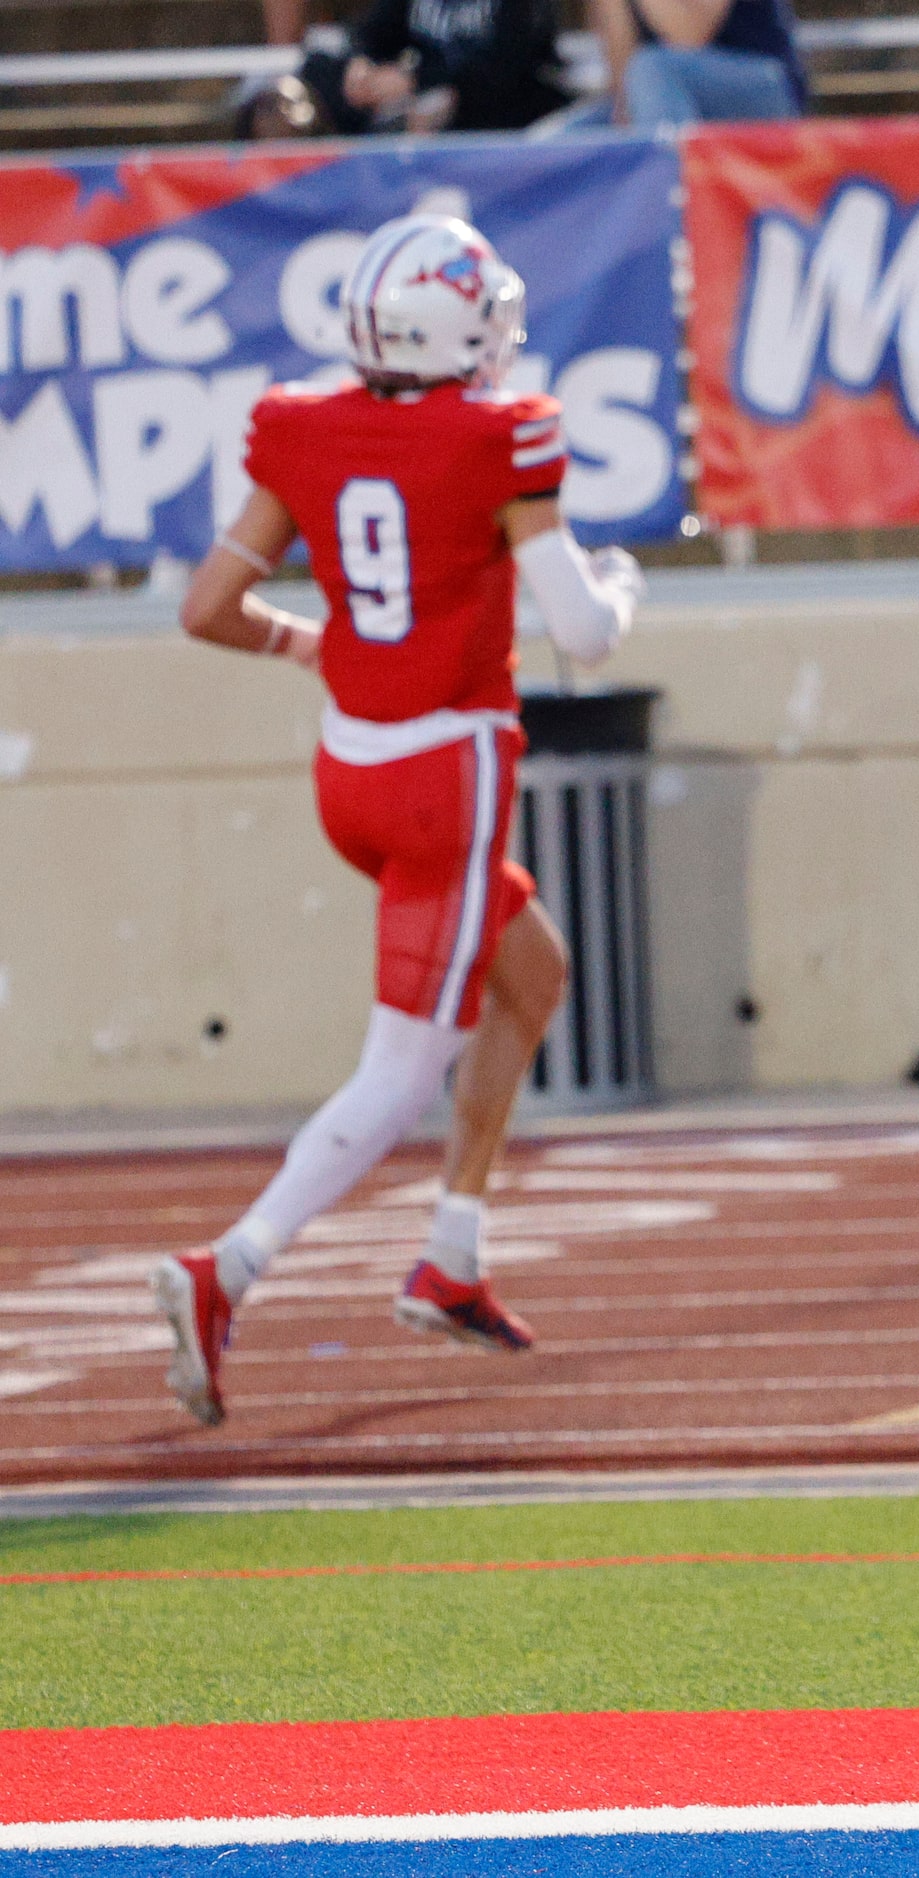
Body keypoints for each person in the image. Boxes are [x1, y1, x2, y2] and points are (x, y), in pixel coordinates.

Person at [153, 214, 643, 1428]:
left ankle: (453, 1257)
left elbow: (210, 607)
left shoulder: (302, 424)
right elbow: (579, 633)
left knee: (532, 978)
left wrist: (313, 640)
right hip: (446, 780)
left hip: (351, 775)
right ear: (456, 332)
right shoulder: (497, 437)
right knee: (401, 1066)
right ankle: (232, 1268)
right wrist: (625, 591)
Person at [295, 0, 570, 137]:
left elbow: (516, 59)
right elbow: (372, 35)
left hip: (502, 124)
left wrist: (416, 81)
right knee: (320, 70)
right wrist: (361, 65)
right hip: (422, 104)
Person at [588, 0, 807, 131]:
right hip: (665, 92)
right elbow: (623, 81)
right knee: (566, 142)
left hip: (766, 85)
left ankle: (667, 197)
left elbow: (688, 37)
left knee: (652, 68)